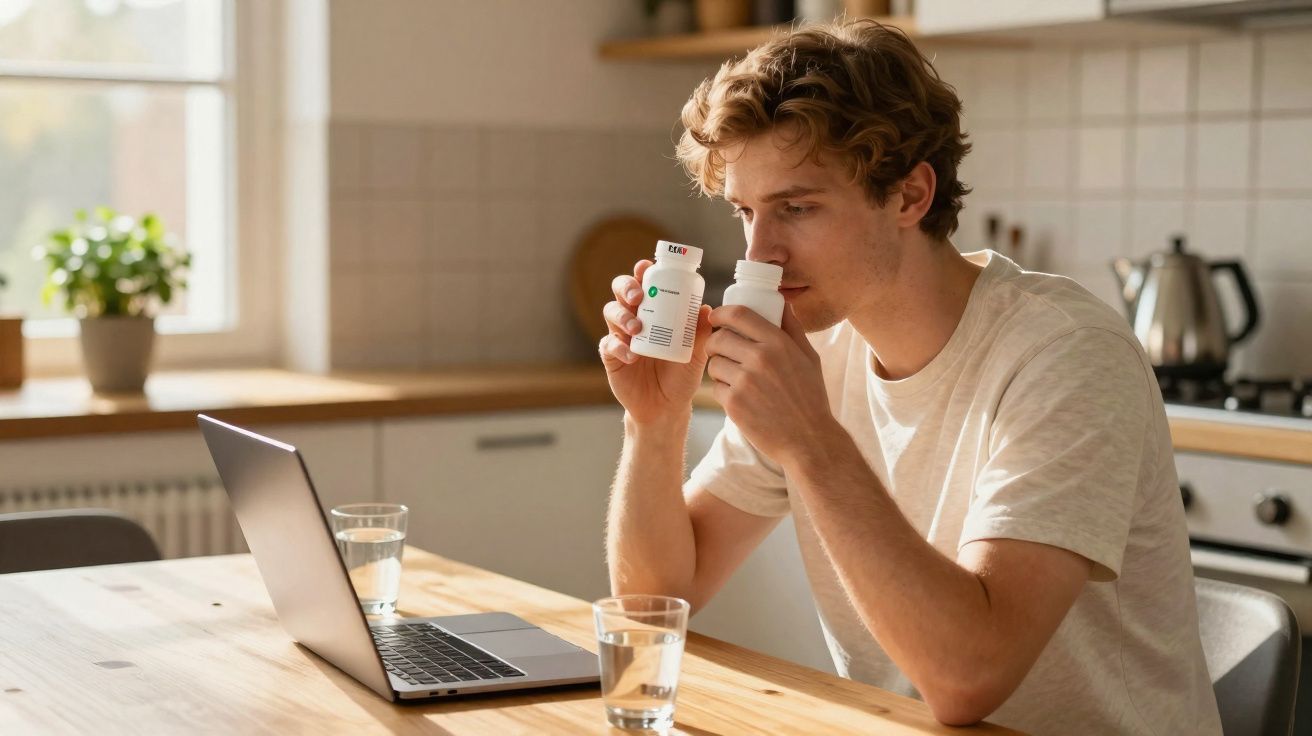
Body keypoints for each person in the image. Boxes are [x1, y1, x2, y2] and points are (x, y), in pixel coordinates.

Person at [597, 18, 1222, 735]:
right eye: (746, 211)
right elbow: (655, 598)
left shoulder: (1066, 355)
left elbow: (968, 679)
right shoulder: (819, 349)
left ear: (909, 196)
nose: (760, 252)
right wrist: (654, 420)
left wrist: (811, 440)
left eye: (796, 208)